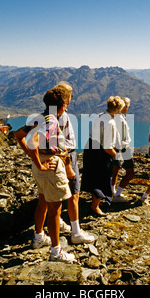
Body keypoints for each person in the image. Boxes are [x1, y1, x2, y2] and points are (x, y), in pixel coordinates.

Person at [14, 86, 75, 262]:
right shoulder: (53, 121)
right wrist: (41, 163)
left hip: (40, 165)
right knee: (55, 210)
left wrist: (35, 161)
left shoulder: (39, 117)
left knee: (43, 202)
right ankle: (56, 251)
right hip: (51, 166)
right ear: (62, 106)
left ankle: (39, 237)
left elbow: (19, 135)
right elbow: (33, 141)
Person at [56, 82, 96, 244]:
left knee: (56, 194)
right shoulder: (62, 116)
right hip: (67, 157)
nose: (72, 98)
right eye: (70, 95)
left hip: (60, 158)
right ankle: (76, 232)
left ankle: (58, 222)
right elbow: (61, 145)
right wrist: (68, 167)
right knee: (74, 194)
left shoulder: (50, 115)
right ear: (66, 98)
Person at [81, 96, 126, 216]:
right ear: (117, 111)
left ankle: (94, 202)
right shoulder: (110, 122)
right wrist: (117, 156)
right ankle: (94, 206)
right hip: (100, 153)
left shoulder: (100, 115)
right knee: (101, 178)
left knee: (93, 176)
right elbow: (107, 147)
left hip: (90, 147)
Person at [111, 97, 135, 203]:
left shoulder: (117, 116)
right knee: (130, 173)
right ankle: (117, 194)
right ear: (125, 106)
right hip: (122, 149)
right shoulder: (120, 119)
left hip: (117, 148)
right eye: (128, 105)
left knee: (115, 170)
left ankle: (112, 191)